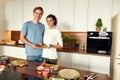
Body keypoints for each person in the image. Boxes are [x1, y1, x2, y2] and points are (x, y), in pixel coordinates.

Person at [20, 6, 45, 80]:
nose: (38, 15)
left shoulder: (42, 26)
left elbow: (42, 39)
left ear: (42, 15)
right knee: (31, 75)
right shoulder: (26, 24)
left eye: (40, 14)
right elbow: (21, 38)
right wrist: (31, 45)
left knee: (39, 74)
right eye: (36, 13)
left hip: (41, 54)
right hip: (31, 54)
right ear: (33, 13)